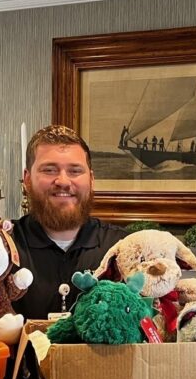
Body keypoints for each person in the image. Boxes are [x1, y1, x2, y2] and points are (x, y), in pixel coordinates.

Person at [11, 124, 126, 319]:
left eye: (74, 171)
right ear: (27, 180)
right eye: (49, 170)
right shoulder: (2, 247)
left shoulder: (123, 249)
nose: (63, 181)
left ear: (91, 179)